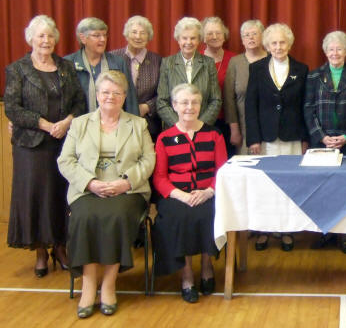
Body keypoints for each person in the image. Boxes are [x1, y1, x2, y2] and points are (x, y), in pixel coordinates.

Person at [57, 70, 155, 318]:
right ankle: (89, 284)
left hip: (127, 191)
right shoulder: (80, 124)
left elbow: (148, 160)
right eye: (105, 92)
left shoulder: (138, 124)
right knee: (83, 217)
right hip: (88, 190)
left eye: (116, 93)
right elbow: (65, 160)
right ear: (97, 95)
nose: (110, 97)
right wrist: (89, 183)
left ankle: (109, 284)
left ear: (124, 96)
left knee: (118, 216)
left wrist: (126, 182)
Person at [4, 15, 85, 278]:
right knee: (36, 196)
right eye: (41, 36)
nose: (46, 40)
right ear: (31, 39)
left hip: (63, 141)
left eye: (50, 36)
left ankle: (61, 248)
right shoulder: (18, 69)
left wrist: (67, 121)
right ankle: (40, 251)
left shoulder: (66, 67)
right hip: (31, 145)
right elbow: (13, 108)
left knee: (61, 195)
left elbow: (79, 103)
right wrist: (44, 124)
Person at [152, 83, 227, 302]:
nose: (189, 107)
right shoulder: (164, 138)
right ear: (174, 105)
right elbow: (159, 177)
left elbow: (222, 170)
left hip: (207, 192)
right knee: (178, 216)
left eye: (194, 102)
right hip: (177, 194)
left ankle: (206, 266)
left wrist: (209, 192)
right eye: (184, 102)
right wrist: (181, 195)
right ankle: (186, 275)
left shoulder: (214, 134)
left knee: (208, 214)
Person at [245, 23, 309, 251]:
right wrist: (253, 138)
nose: (279, 47)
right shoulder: (257, 69)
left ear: (289, 44)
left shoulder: (302, 69)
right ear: (267, 45)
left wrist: (305, 138)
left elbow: (305, 106)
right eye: (274, 43)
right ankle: (264, 229)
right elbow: (250, 106)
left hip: (292, 137)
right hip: (266, 138)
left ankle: (286, 230)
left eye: (282, 42)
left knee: (290, 184)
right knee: (265, 184)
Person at [304, 30, 346, 254]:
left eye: (339, 48)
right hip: (322, 143)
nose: (335, 52)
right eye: (331, 49)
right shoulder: (313, 76)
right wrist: (321, 136)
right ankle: (325, 231)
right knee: (324, 189)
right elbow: (309, 109)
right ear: (325, 51)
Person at [156, 17, 221, 128]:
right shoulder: (167, 63)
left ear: (199, 39)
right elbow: (162, 101)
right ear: (178, 39)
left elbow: (216, 100)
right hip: (174, 129)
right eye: (184, 38)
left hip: (203, 128)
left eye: (193, 38)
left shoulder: (208, 63)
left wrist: (200, 125)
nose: (188, 42)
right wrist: (179, 126)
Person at [64, 17, 138, 115]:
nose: (103, 39)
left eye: (104, 35)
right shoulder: (68, 63)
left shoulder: (118, 63)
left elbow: (130, 100)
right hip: (79, 126)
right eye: (97, 35)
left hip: (115, 125)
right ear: (83, 38)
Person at [110, 15, 162, 140]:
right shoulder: (113, 57)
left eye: (143, 33)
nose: (138, 36)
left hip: (148, 124)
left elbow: (164, 92)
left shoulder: (158, 60)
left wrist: (148, 106)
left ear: (148, 36)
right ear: (127, 34)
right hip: (117, 121)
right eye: (134, 32)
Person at [223, 20, 267, 155]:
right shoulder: (235, 62)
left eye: (254, 34)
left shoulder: (272, 59)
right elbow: (229, 99)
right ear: (242, 40)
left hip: (268, 124)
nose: (251, 38)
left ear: (263, 37)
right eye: (246, 35)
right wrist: (234, 129)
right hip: (243, 127)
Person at [202, 16, 236, 157]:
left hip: (229, 122)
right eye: (209, 33)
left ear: (225, 36)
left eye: (218, 33)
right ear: (203, 37)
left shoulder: (235, 59)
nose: (214, 37)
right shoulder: (196, 60)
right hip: (203, 121)